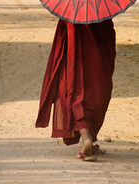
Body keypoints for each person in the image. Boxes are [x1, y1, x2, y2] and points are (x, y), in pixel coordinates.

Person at [36, 18, 116, 161]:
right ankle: (88, 138)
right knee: (96, 92)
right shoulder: (101, 8)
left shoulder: (70, 6)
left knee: (75, 93)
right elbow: (108, 38)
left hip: (72, 58)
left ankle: (86, 138)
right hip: (97, 58)